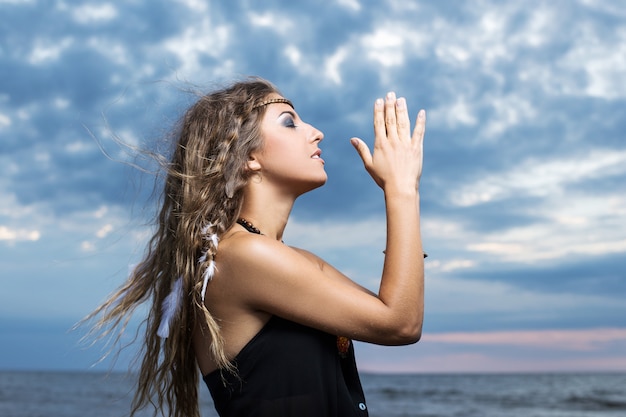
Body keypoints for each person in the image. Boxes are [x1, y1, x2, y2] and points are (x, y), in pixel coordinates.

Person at [86, 77, 426, 417]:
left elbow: (393, 306)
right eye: (289, 122)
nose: (316, 132)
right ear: (248, 156)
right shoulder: (244, 256)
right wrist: (401, 189)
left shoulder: (286, 259)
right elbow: (399, 323)